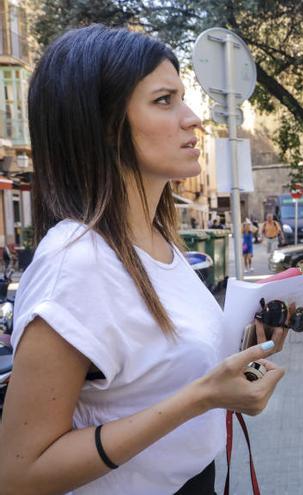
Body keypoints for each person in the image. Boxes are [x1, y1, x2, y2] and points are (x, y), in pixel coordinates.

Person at [0, 26, 288, 494]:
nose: (193, 118)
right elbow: (19, 474)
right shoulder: (75, 264)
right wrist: (199, 399)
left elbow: (165, 381)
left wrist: (251, 359)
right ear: (105, 126)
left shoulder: (158, 242)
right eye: (164, 100)